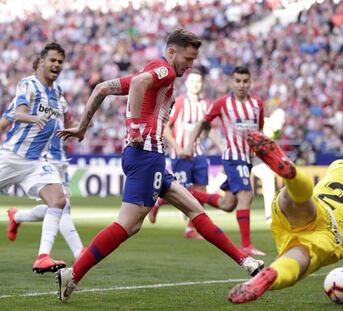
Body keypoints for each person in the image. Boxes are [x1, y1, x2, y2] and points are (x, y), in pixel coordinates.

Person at [55, 28, 264, 303]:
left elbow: (102, 88)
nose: (190, 66)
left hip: (148, 157)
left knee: (194, 208)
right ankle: (73, 274)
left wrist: (83, 127)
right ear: (172, 51)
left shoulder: (158, 75)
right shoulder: (162, 71)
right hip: (146, 156)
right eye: (187, 59)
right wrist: (135, 128)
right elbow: (141, 82)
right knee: (128, 225)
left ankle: (245, 262)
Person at [227, 119, 343, 304]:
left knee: (295, 198)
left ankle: (293, 177)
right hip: (328, 236)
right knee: (298, 259)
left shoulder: (342, 171)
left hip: (313, 208)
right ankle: (271, 277)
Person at [0, 42, 75, 273]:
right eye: (52, 60)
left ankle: (43, 256)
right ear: (42, 61)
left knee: (59, 200)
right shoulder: (28, 84)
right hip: (13, 156)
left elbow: (68, 123)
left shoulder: (58, 92)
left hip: (37, 162)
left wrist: (79, 128)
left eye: (60, 62)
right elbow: (18, 113)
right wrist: (34, 119)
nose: (56, 65)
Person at [184, 65, 266, 256]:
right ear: (232, 82)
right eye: (238, 81)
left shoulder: (257, 104)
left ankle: (193, 194)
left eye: (245, 81)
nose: (242, 85)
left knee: (227, 205)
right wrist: (189, 145)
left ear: (250, 82)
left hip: (247, 159)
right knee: (246, 196)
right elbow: (203, 123)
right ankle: (246, 245)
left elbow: (259, 132)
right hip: (233, 157)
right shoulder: (223, 103)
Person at [150, 67, 222, 239]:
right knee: (185, 192)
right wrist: (177, 147)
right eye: (192, 81)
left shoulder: (205, 105)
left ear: (202, 83)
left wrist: (220, 146)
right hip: (181, 154)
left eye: (198, 81)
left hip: (199, 153)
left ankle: (191, 229)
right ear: (187, 83)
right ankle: (158, 202)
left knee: (201, 189)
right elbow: (167, 126)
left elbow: (208, 129)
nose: (196, 85)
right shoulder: (181, 102)